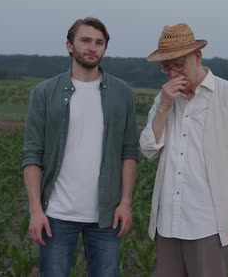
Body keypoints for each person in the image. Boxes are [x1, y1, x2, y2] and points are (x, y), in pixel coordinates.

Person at [139, 23, 228, 276]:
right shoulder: (164, 98)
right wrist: (164, 107)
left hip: (208, 223)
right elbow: (148, 150)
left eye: (179, 64)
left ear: (197, 57)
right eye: (166, 66)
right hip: (168, 223)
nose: (173, 73)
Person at [21, 17, 140, 276]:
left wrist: (125, 203)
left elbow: (129, 151)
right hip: (56, 215)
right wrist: (35, 210)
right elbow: (32, 155)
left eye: (99, 42)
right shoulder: (44, 93)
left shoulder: (121, 92)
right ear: (69, 46)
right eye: (85, 40)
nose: (92, 47)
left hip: (106, 217)